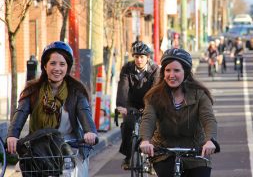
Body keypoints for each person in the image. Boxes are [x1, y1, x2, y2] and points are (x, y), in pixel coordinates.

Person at [7, 41, 97, 177]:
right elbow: (20, 113)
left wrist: (90, 132)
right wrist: (12, 135)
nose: (57, 68)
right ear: (44, 65)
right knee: (20, 171)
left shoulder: (76, 92)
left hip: (69, 149)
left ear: (68, 67)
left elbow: (85, 114)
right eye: (53, 63)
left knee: (70, 173)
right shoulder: (33, 90)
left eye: (62, 64)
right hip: (39, 149)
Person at [139, 48, 218, 177]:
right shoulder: (154, 96)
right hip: (164, 151)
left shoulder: (200, 94)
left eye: (176, 70)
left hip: (196, 151)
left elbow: (208, 118)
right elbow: (148, 119)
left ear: (186, 72)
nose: (171, 75)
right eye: (167, 70)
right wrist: (145, 140)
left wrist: (210, 140)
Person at [116, 41, 160, 169]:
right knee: (128, 126)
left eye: (142, 57)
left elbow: (155, 89)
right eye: (136, 57)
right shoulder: (127, 68)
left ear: (148, 57)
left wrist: (150, 107)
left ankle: (153, 159)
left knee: (155, 128)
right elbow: (123, 87)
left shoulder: (155, 69)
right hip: (132, 103)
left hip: (150, 102)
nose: (139, 60)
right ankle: (128, 157)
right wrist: (121, 105)